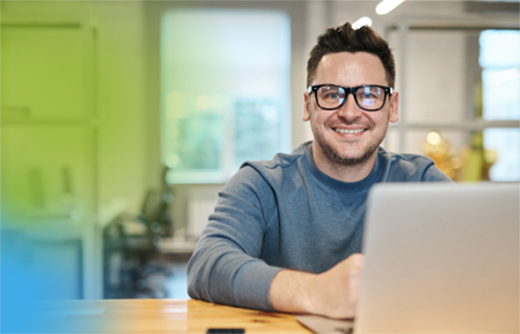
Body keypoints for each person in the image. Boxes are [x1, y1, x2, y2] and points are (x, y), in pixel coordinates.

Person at [187, 21, 451, 319]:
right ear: (307, 105)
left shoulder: (422, 183)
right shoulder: (262, 184)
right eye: (330, 94)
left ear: (392, 106)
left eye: (369, 94)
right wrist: (316, 292)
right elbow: (208, 265)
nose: (350, 113)